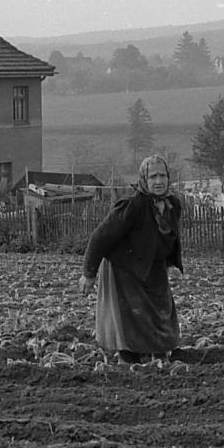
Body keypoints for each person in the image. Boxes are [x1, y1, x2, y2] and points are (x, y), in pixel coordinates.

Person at [79, 154, 183, 365]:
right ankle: (128, 357)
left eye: (162, 176)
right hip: (123, 267)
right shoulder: (133, 206)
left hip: (151, 265)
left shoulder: (173, 205)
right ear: (144, 180)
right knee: (129, 314)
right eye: (153, 176)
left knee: (162, 309)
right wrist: (88, 274)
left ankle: (159, 353)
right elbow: (100, 236)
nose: (159, 181)